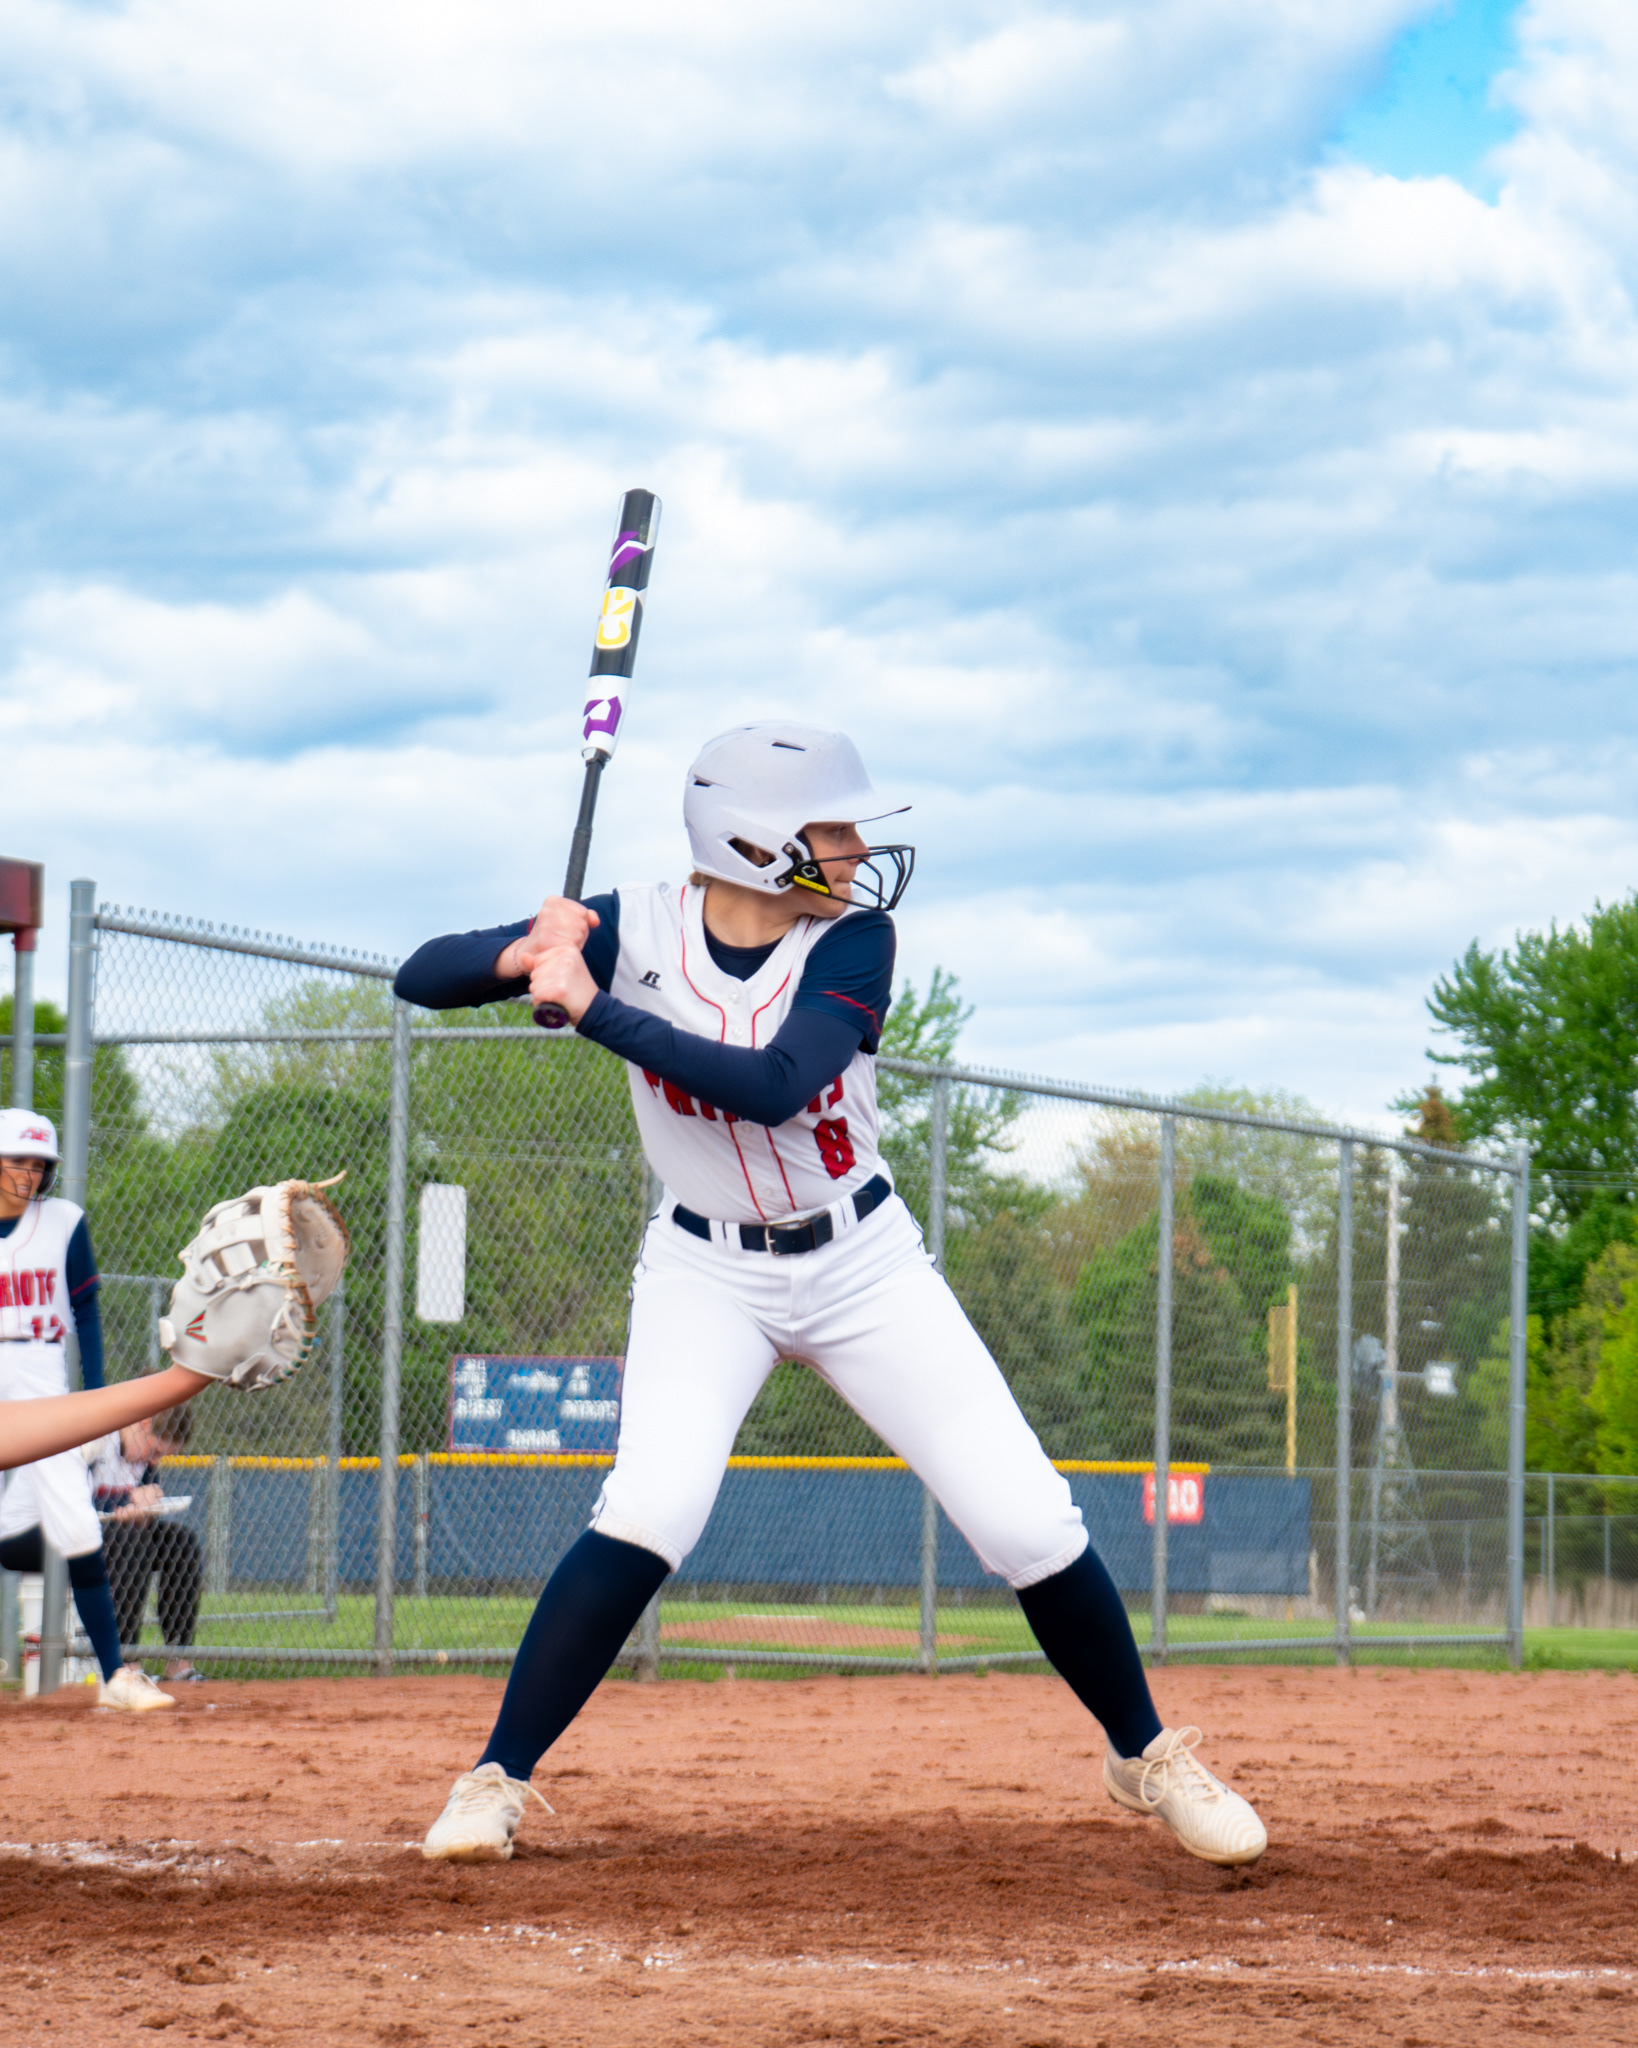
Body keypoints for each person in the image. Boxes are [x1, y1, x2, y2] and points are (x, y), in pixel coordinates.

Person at [395, 722, 1267, 1868]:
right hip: (707, 1269)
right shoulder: (633, 921)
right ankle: (495, 1778)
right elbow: (421, 973)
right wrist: (526, 954)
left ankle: (1144, 1752)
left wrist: (592, 1005)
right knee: (650, 1509)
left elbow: (775, 1084)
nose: (856, 848)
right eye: (833, 827)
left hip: (861, 1260)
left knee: (1024, 1518)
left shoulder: (857, 941)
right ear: (754, 841)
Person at [0, 1108, 176, 1711]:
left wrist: (98, 1401)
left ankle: (115, 1678)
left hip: (43, 1378)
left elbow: (87, 1314)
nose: (29, 1173)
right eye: (17, 1161)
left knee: (75, 1524)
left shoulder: (63, 1223)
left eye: (39, 1164)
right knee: (15, 1539)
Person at [91, 1407, 204, 1681]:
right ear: (144, 1423)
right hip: (85, 1536)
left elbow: (141, 1513)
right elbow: (76, 1498)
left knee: (182, 1542)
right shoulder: (96, 1441)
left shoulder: (144, 1463)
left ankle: (178, 1661)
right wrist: (126, 1502)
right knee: (132, 1541)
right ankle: (126, 1664)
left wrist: (146, 1506)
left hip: (125, 1535)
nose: (154, 1461)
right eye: (154, 1451)